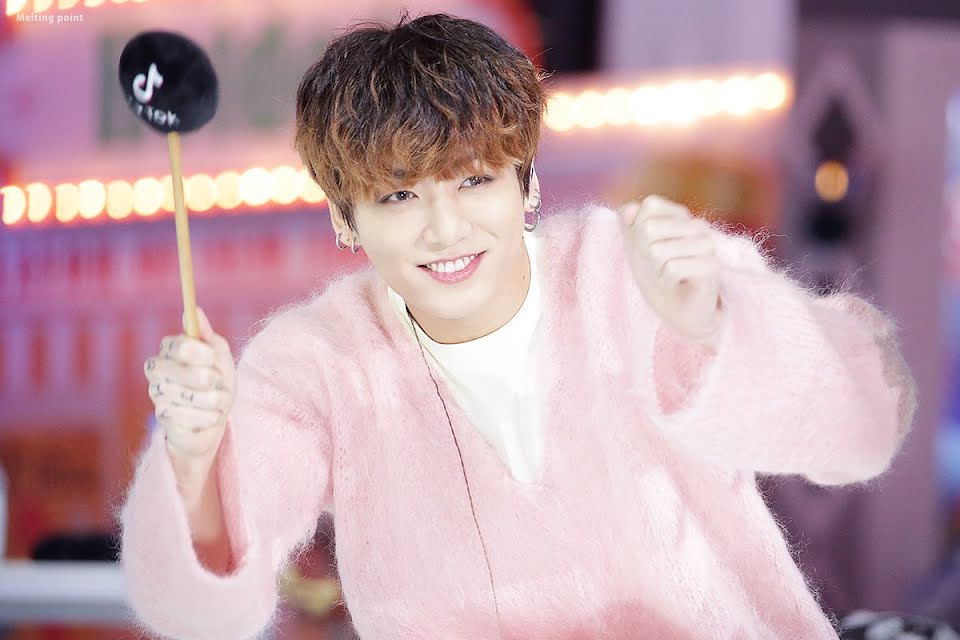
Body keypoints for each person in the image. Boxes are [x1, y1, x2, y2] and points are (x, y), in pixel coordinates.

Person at [118, 12, 918, 640]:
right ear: (345, 219)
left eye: (473, 181)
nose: (445, 228)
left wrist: (712, 322)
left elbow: (862, 426)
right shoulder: (319, 360)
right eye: (398, 196)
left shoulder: (630, 270)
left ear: (525, 182)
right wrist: (194, 457)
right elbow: (196, 606)